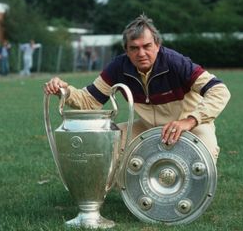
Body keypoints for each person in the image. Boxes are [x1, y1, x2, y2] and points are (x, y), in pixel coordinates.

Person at [43, 14, 231, 164]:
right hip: (147, 127)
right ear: (126, 50)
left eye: (147, 46)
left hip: (190, 126)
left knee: (204, 158)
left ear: (157, 45)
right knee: (105, 141)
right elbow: (89, 100)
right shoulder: (119, 67)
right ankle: (125, 194)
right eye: (134, 48)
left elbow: (219, 90)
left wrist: (190, 121)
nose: (141, 53)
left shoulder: (176, 63)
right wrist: (64, 91)